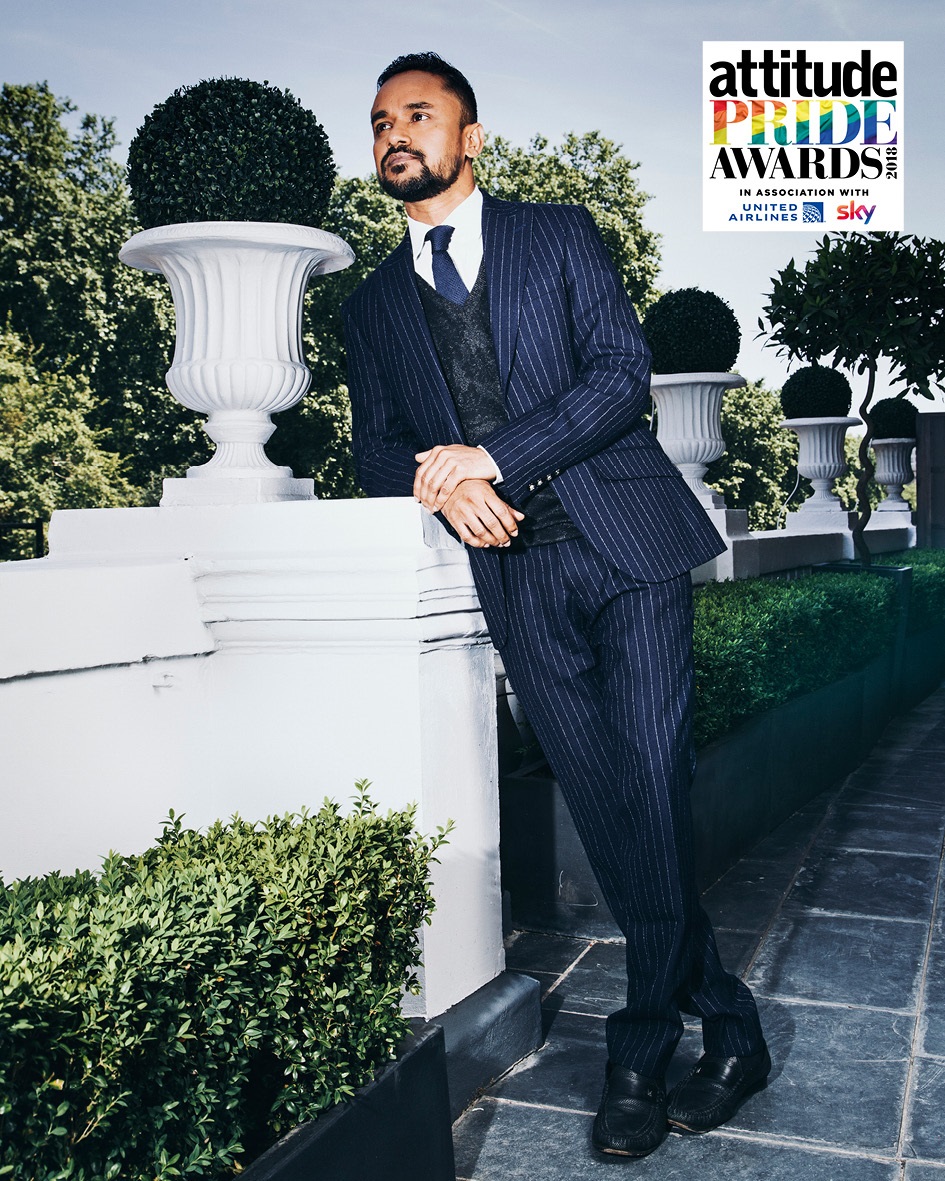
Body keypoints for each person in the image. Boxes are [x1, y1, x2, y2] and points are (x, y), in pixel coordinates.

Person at [342, 51, 770, 1159]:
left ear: (470, 137)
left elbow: (619, 377)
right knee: (610, 805)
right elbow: (377, 446)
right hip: (518, 574)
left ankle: (639, 1050)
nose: (397, 133)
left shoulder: (559, 234)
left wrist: (488, 456)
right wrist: (442, 484)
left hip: (630, 546)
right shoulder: (372, 306)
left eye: (419, 114)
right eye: (381, 120)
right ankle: (730, 1028)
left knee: (651, 788)